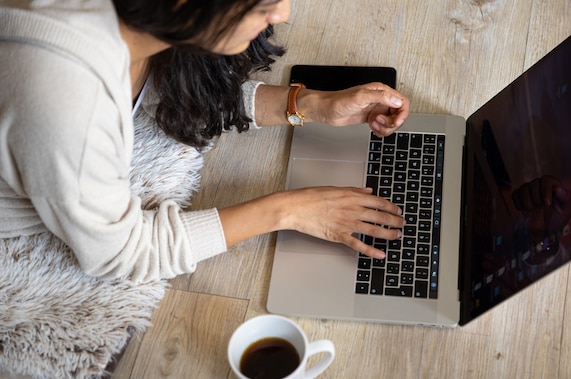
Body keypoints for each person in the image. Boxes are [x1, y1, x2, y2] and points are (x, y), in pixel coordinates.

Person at [0, 0, 409, 284]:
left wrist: (310, 104)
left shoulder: (138, 22)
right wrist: (291, 209)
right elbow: (122, 253)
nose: (282, 12)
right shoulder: (67, 102)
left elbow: (168, 92)